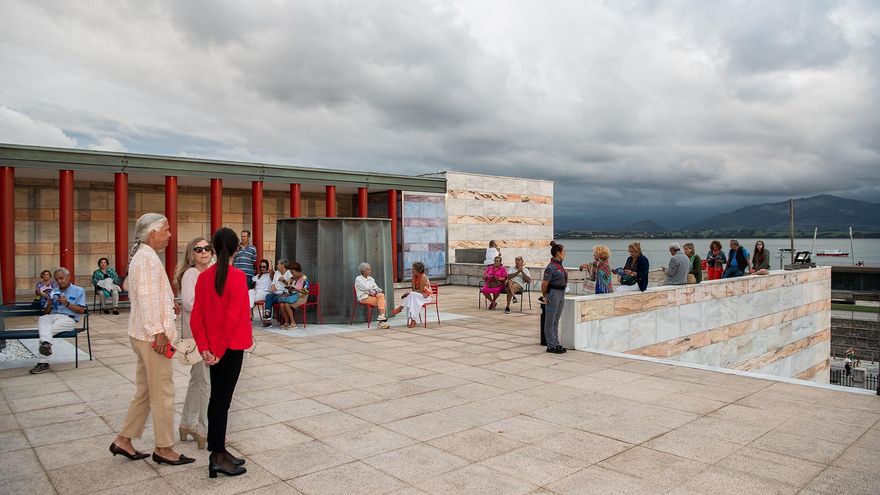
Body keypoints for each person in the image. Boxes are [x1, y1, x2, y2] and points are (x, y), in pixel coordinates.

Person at [112, 213, 194, 466]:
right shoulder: (147, 258)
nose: (170, 235)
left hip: (141, 334)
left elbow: (149, 296)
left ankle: (123, 440)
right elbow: (147, 300)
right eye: (166, 230)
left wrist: (169, 306)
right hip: (152, 338)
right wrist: (158, 332)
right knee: (163, 393)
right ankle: (164, 448)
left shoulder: (143, 256)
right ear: (152, 233)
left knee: (146, 391)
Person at [190, 228, 252, 478]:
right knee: (221, 401)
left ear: (214, 249)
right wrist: (216, 350)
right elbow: (233, 318)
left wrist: (206, 348)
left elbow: (197, 317)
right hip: (230, 347)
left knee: (217, 400)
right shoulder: (237, 277)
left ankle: (219, 450)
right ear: (237, 248)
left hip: (214, 348)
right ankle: (216, 456)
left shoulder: (204, 277)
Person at [172, 237, 214, 449]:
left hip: (208, 334)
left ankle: (186, 424)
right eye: (198, 249)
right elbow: (189, 303)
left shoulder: (210, 273)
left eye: (207, 248)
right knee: (205, 382)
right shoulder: (191, 274)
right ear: (191, 254)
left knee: (198, 380)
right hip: (197, 335)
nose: (204, 252)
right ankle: (203, 429)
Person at [28, 267, 86, 375]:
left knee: (44, 333)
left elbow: (82, 310)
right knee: (43, 319)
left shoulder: (79, 290)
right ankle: (46, 345)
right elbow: (46, 312)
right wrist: (49, 302)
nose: (59, 281)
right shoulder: (53, 291)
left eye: (61, 278)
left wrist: (67, 304)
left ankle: (43, 362)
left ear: (68, 277)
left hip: (68, 319)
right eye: (56, 279)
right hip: (53, 317)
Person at [540, 243, 567, 354]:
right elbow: (544, 284)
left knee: (556, 320)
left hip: (561, 293)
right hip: (553, 293)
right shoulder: (551, 267)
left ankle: (555, 343)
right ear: (558, 253)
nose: (565, 253)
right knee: (550, 321)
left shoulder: (559, 265)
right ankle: (551, 345)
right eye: (563, 252)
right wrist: (545, 296)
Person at [391, 262, 433, 328]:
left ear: (418, 270)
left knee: (412, 296)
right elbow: (414, 290)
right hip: (418, 296)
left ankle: (401, 308)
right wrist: (413, 280)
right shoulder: (414, 277)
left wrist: (409, 294)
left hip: (426, 297)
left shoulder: (423, 277)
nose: (412, 270)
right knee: (413, 300)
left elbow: (420, 291)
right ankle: (413, 321)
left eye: (413, 269)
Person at [355, 262, 390, 329]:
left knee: (381, 295)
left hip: (372, 296)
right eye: (368, 270)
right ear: (363, 271)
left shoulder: (371, 278)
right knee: (383, 302)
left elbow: (377, 288)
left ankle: (381, 319)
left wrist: (374, 290)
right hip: (364, 297)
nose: (370, 271)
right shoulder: (358, 279)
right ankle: (382, 321)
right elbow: (365, 288)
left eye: (370, 269)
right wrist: (373, 289)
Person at [278, 262, 309, 329]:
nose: (292, 274)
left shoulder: (304, 278)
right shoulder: (292, 279)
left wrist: (297, 290)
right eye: (291, 272)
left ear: (298, 271)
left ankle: (293, 323)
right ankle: (286, 322)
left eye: (293, 272)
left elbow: (306, 291)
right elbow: (290, 289)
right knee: (282, 304)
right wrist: (288, 291)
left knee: (287, 304)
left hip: (301, 297)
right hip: (292, 296)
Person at [262, 259, 291, 327]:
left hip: (284, 293)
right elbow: (273, 283)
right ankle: (267, 315)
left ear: (282, 265)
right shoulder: (277, 273)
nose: (277, 265)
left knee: (269, 301)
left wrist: (284, 281)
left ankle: (268, 320)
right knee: (268, 296)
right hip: (276, 293)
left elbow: (291, 285)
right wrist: (272, 287)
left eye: (278, 264)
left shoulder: (289, 273)